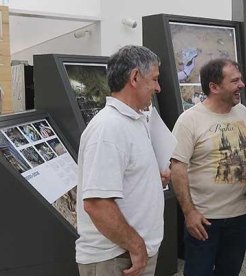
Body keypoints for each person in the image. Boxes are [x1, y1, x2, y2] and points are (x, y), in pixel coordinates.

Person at [75, 45, 170, 276]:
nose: (158, 87)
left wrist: (149, 179)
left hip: (129, 253)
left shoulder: (133, 121)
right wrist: (136, 247)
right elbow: (97, 204)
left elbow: (122, 176)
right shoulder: (109, 129)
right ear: (135, 77)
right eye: (155, 79)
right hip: (116, 258)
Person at [170, 58, 246, 276]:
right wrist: (189, 212)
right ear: (214, 87)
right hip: (204, 220)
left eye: (240, 79)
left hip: (240, 217)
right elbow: (177, 168)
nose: (242, 85)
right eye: (234, 81)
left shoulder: (243, 112)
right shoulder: (189, 120)